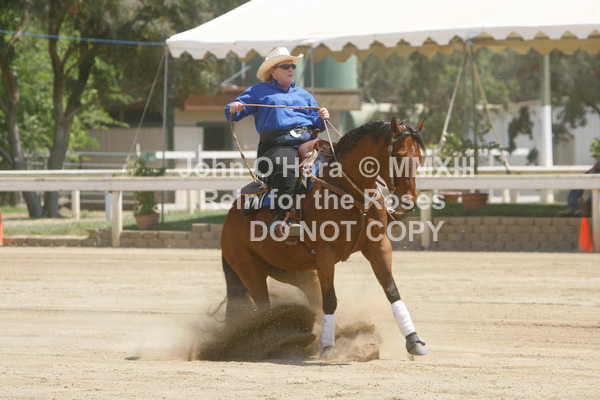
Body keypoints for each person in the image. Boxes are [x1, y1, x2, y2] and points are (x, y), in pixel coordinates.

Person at [225, 47, 330, 236]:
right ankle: (283, 218)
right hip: (276, 146)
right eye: (285, 66)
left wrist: (323, 117)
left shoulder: (304, 95)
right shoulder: (258, 91)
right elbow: (232, 112)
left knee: (339, 164)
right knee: (287, 167)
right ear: (273, 71)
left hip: (309, 142)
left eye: (292, 66)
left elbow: (317, 124)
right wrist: (235, 107)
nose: (291, 69)